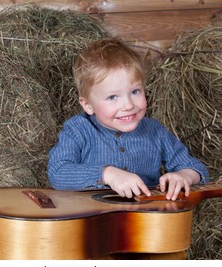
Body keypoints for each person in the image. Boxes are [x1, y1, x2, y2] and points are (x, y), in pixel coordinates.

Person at [47, 37, 209, 201]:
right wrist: (108, 174)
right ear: (88, 105)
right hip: (92, 220)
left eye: (135, 92)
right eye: (112, 97)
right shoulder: (78, 129)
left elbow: (195, 167)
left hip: (145, 218)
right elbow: (58, 171)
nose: (128, 105)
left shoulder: (155, 131)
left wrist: (184, 176)